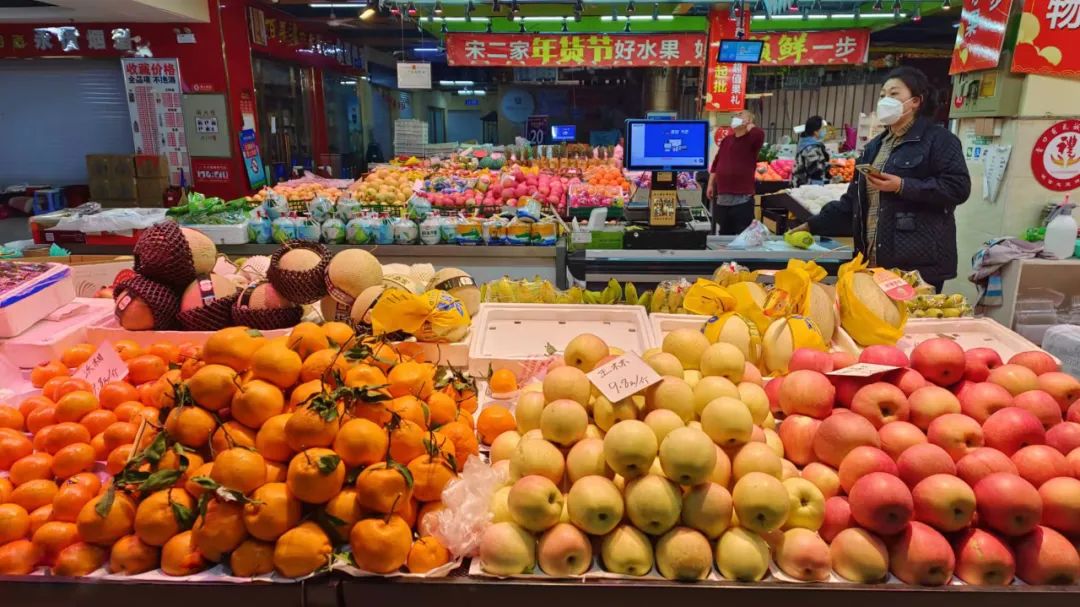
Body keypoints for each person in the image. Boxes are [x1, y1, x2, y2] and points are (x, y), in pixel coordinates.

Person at [792, 66, 970, 293]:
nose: (885, 100)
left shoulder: (939, 140)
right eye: (883, 95)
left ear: (916, 101)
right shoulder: (874, 147)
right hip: (874, 259)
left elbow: (958, 188)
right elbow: (853, 202)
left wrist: (902, 186)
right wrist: (812, 224)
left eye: (894, 94)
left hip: (917, 265)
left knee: (909, 316)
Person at [706, 110, 766, 235]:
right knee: (724, 232)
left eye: (740, 114)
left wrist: (750, 125)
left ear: (748, 121)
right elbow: (716, 163)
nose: (736, 117)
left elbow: (760, 134)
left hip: (742, 198)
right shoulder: (727, 140)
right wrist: (710, 184)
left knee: (743, 233)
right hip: (722, 196)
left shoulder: (752, 139)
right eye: (735, 115)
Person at [793, 116, 830, 186]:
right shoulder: (811, 148)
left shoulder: (806, 143)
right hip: (806, 186)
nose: (825, 131)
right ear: (816, 132)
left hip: (805, 184)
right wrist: (831, 166)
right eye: (823, 128)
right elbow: (815, 169)